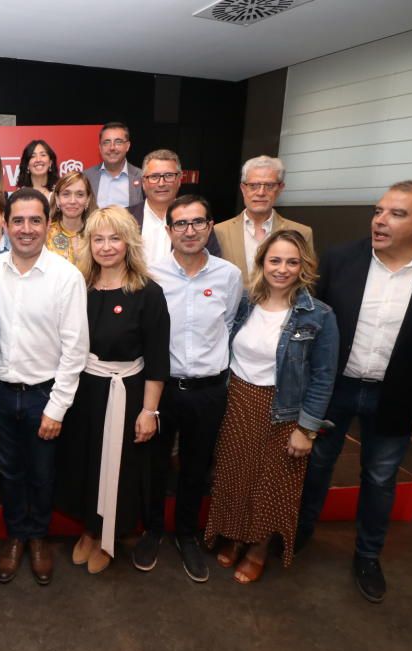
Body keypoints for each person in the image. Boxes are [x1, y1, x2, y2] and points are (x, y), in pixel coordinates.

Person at [296, 181, 412, 603]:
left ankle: (367, 556)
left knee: (380, 478)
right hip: (336, 389)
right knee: (315, 466)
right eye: (378, 210)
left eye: (397, 214)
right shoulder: (342, 259)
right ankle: (298, 535)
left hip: (396, 396)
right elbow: (313, 330)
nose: (380, 220)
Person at [203, 229, 338, 584]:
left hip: (282, 411)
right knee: (233, 475)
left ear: (304, 266)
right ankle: (232, 535)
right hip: (237, 401)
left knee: (272, 485)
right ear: (262, 262)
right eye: (275, 260)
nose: (282, 269)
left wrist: (306, 428)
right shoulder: (246, 303)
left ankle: (259, 548)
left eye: (292, 262)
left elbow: (324, 377)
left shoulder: (318, 315)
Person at [0, 188, 90, 585]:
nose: (26, 229)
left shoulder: (66, 277)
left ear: (49, 224)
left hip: (45, 394)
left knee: (43, 473)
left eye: (35, 221)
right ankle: (16, 536)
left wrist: (57, 407)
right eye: (18, 221)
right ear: (5, 224)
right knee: (9, 472)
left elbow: (75, 348)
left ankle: (39, 537)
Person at [55, 206, 168, 574]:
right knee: (86, 462)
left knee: (119, 467)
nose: (106, 246)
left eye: (114, 238)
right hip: (85, 390)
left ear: (129, 242)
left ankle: (110, 536)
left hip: (126, 392)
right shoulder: (78, 286)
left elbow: (157, 358)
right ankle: (90, 529)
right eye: (98, 238)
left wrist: (149, 411)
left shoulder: (148, 293)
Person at [141, 195, 242, 580]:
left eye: (197, 222)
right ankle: (152, 529)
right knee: (154, 464)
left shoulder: (228, 276)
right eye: (180, 224)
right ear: (168, 231)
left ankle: (186, 534)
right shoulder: (152, 275)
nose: (189, 231)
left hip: (209, 390)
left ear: (210, 226)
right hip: (162, 389)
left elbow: (229, 324)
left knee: (196, 467)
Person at [214, 155, 313, 287]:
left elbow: (305, 281)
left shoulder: (301, 232)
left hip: (282, 306)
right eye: (253, 185)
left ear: (280, 188)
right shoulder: (219, 231)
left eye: (269, 185)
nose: (261, 192)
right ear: (243, 189)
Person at [128, 149, 221, 262]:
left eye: (169, 175)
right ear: (143, 182)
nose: (161, 183)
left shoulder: (198, 221)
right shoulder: (125, 218)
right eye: (154, 177)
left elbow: (212, 264)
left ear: (179, 179)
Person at [84, 122, 143, 209]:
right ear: (100, 148)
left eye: (118, 142)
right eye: (106, 142)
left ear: (127, 146)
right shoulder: (86, 177)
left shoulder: (141, 177)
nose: (112, 147)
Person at [45, 171, 96, 263]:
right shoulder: (45, 234)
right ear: (57, 199)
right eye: (66, 194)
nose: (72, 201)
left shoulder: (96, 233)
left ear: (88, 199)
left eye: (80, 195)